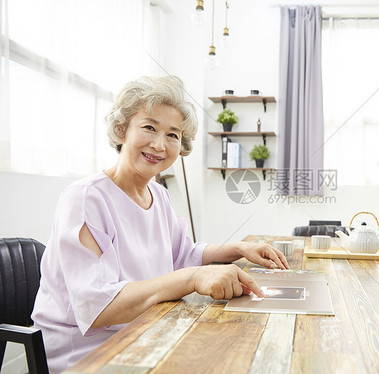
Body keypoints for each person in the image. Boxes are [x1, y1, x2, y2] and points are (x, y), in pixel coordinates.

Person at [31, 76, 289, 373]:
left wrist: (240, 248)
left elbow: (184, 255)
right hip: (88, 356)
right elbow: (97, 307)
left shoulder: (159, 195)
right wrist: (193, 278)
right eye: (149, 127)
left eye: (173, 135)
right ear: (121, 130)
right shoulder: (86, 198)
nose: (159, 144)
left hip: (147, 334)